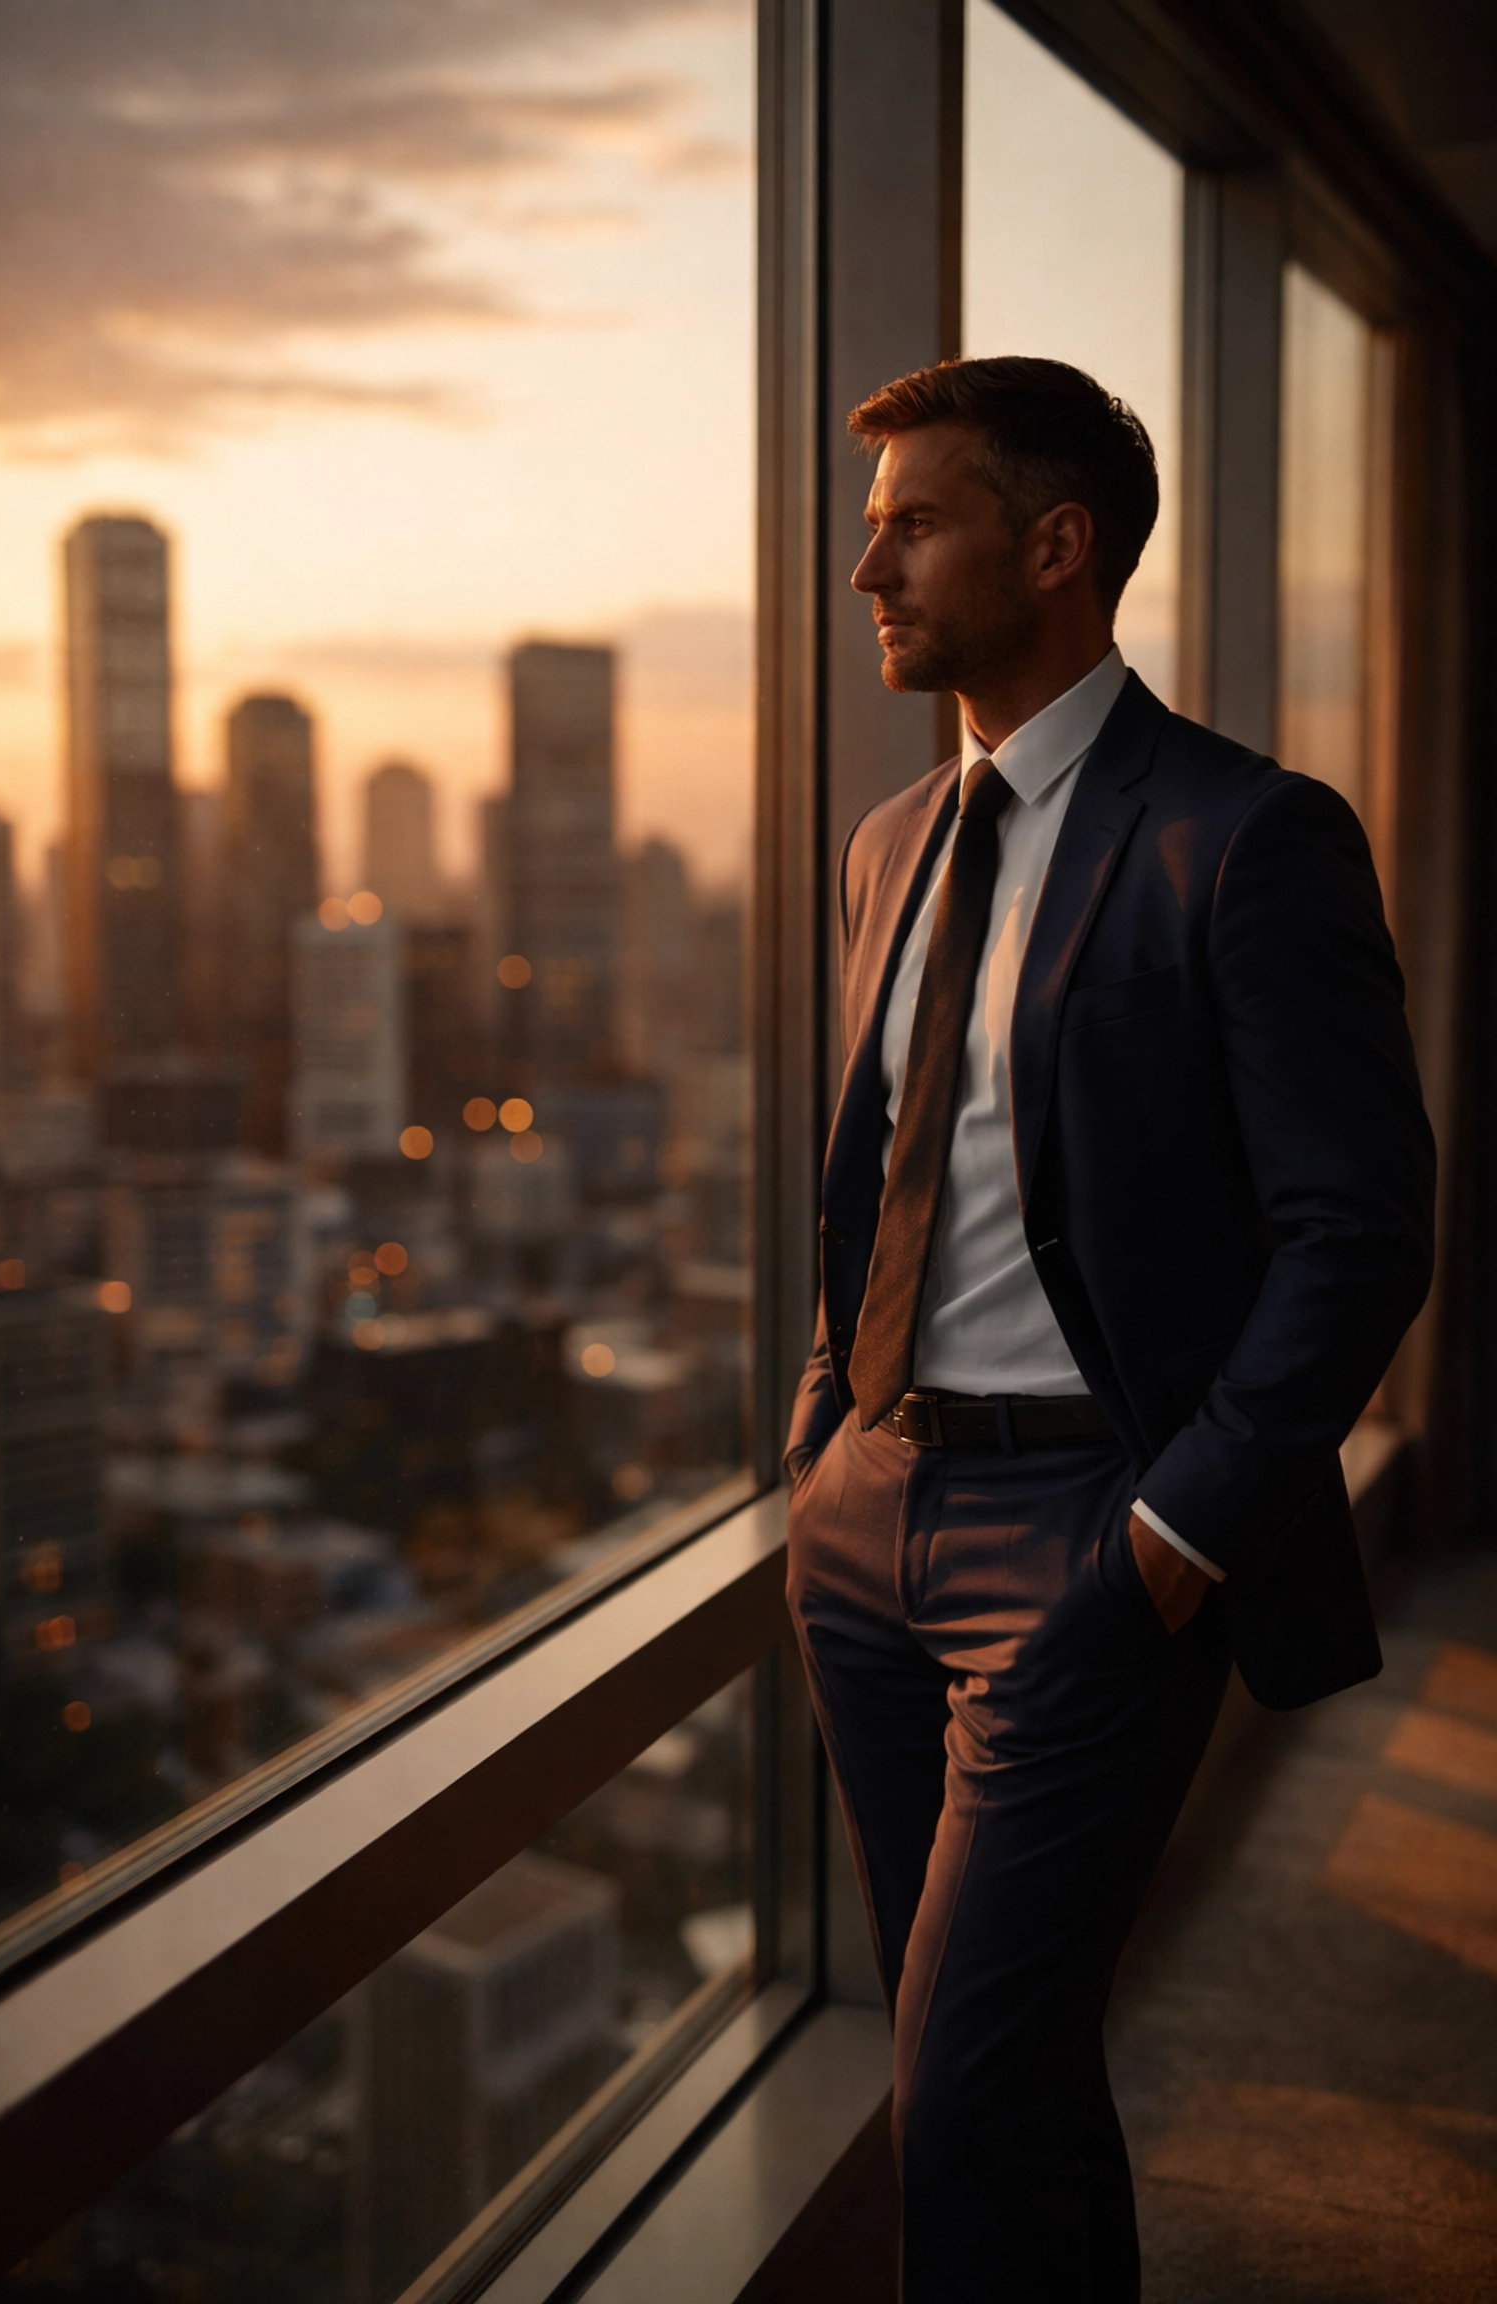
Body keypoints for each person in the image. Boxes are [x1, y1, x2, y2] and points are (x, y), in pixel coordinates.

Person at [783, 355, 1436, 2302]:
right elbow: (880, 1168)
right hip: (867, 1531)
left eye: (915, 524)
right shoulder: (890, 843)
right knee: (1000, 2064)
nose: (867, 568)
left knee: (967, 2091)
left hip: (1085, 1537)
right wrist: (823, 1438)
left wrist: (1170, 1538)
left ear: (1057, 545)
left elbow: (1359, 1234)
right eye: (873, 527)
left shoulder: (1246, 835)